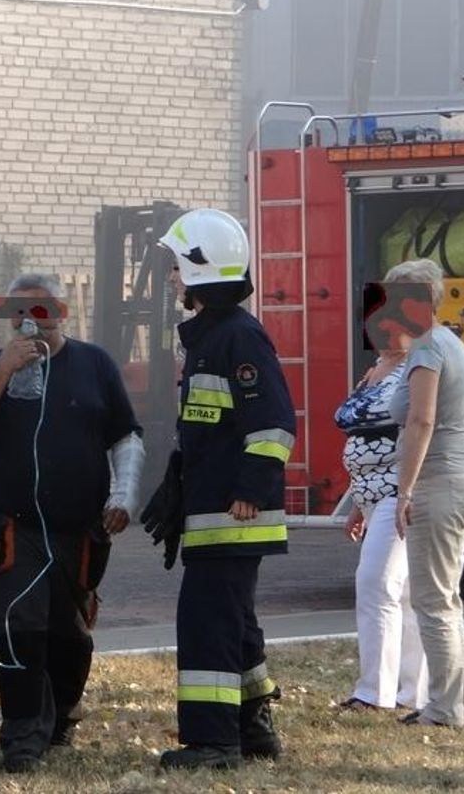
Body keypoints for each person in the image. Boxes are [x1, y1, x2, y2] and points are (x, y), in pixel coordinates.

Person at [0, 273, 144, 773]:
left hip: (80, 529)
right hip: (13, 526)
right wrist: (4, 371)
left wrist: (123, 493)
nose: (31, 319)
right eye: (21, 310)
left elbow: (126, 436)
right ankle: (21, 738)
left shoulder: (94, 364)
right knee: (21, 627)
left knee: (69, 636)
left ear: (62, 313)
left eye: (43, 309)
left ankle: (60, 723)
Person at [153, 209, 296, 771]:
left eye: (175, 268)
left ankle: (213, 742)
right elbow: (214, 430)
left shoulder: (237, 336)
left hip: (234, 513)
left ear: (200, 270)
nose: (171, 279)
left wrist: (250, 491)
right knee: (234, 620)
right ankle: (254, 724)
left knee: (208, 624)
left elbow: (275, 423)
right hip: (213, 508)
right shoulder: (213, 337)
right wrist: (178, 482)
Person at [387, 258, 464, 729]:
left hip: (439, 483)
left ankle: (444, 710)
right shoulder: (457, 345)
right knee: (445, 598)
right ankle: (446, 705)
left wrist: (406, 490)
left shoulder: (427, 349)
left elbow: (421, 419)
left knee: (433, 602)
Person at [335, 292, 428, 712]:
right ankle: (412, 693)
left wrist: (405, 490)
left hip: (399, 492)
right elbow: (360, 437)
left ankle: (374, 693)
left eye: (393, 326)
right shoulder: (374, 370)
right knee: (402, 594)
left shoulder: (416, 370)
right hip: (372, 495)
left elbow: (417, 428)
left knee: (376, 585)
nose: (384, 334)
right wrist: (357, 501)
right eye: (377, 326)